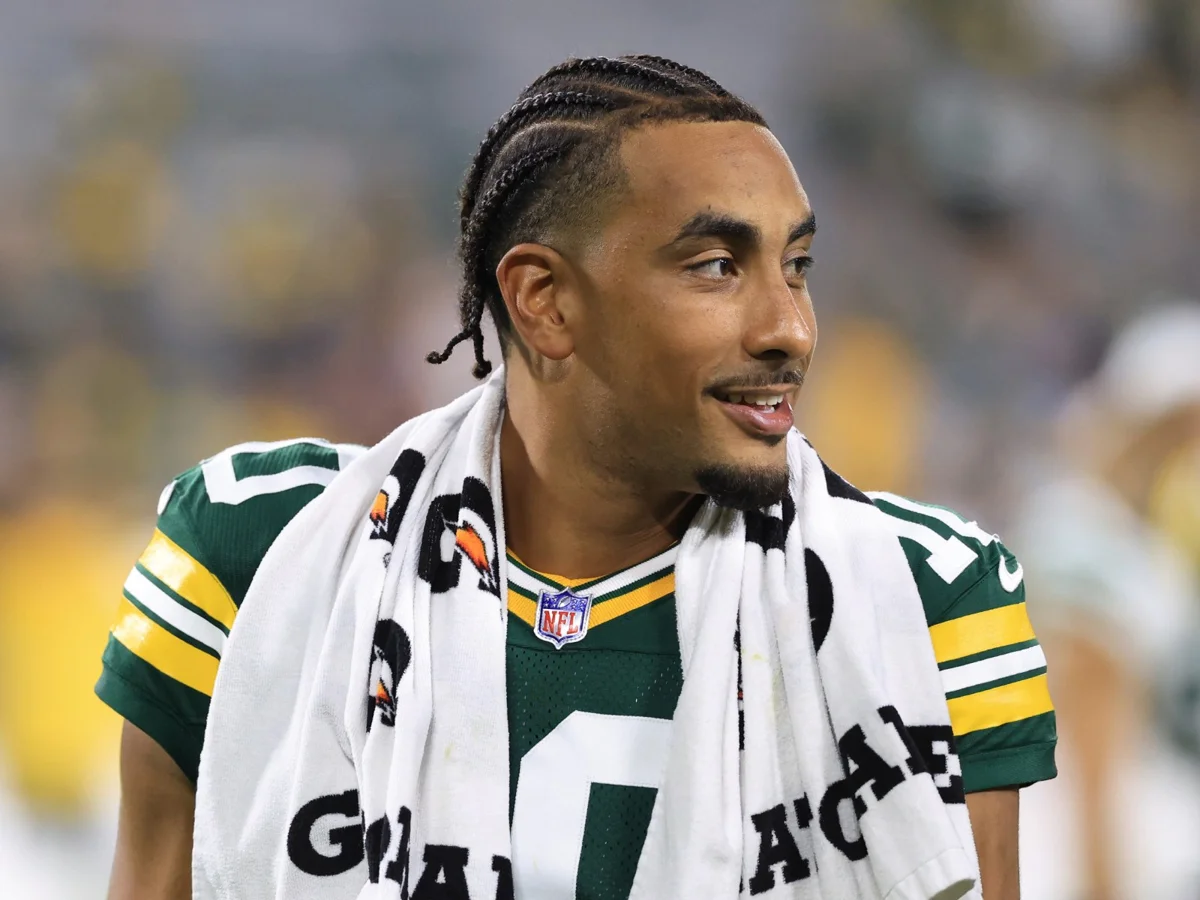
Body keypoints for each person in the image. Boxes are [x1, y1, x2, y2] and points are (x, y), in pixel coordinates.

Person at [98, 56, 1056, 900]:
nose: (791, 329)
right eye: (717, 266)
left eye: (796, 265)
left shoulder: (924, 597)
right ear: (544, 301)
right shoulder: (261, 552)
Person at [1011, 304, 1200, 900]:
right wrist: (1101, 882)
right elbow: (1089, 727)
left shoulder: (1151, 539)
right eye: (1178, 429)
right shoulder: (1081, 530)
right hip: (1123, 857)